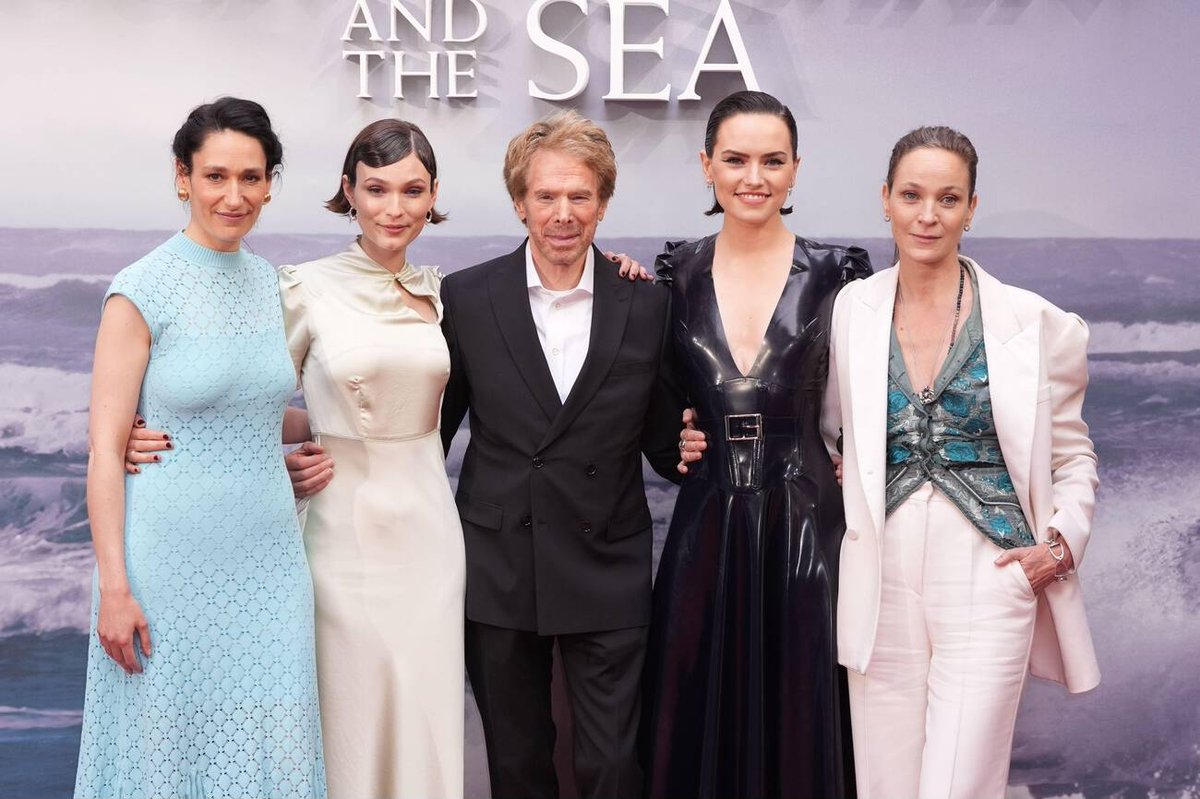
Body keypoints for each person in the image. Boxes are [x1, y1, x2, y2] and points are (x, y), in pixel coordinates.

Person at [821, 126, 1100, 798]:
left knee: (959, 786)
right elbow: (829, 429)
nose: (928, 214)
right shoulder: (849, 310)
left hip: (988, 575)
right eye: (912, 195)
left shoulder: (1034, 323)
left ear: (972, 208)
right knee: (884, 785)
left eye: (948, 198)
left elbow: (1073, 454)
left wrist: (1058, 546)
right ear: (884, 199)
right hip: (877, 575)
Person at [76, 97, 326, 798]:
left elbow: (248, 402)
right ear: (182, 178)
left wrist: (334, 431)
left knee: (270, 750)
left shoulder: (273, 283)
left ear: (271, 183)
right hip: (168, 565)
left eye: (251, 177)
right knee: (169, 753)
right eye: (215, 175)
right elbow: (103, 450)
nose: (234, 195)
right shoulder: (140, 289)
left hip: (271, 564)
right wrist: (115, 589)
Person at [437, 109, 684, 799]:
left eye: (580, 195)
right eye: (546, 196)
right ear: (520, 203)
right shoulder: (466, 296)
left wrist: (703, 442)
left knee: (610, 765)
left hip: (607, 559)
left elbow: (668, 440)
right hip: (499, 564)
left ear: (603, 202)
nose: (563, 213)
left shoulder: (648, 304)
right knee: (517, 765)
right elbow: (429, 432)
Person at [640, 90, 870, 799]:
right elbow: (655, 411)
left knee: (803, 709)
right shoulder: (672, 275)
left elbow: (870, 397)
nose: (754, 176)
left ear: (796, 169)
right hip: (706, 526)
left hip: (806, 523)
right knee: (695, 703)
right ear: (707, 165)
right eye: (736, 159)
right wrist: (673, 444)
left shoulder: (840, 275)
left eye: (773, 160)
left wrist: (851, 459)